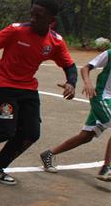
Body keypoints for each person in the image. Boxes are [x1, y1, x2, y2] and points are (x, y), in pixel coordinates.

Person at [0, 0, 77, 185]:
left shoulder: (55, 42)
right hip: (4, 85)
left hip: (28, 88)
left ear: (51, 21)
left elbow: (70, 65)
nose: (33, 19)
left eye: (39, 16)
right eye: (32, 14)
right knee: (5, 130)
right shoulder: (16, 30)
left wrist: (71, 82)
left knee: (31, 133)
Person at [39, 48, 111, 182]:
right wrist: (88, 82)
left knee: (86, 136)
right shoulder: (110, 53)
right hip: (101, 97)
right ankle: (106, 168)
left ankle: (48, 154)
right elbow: (85, 68)